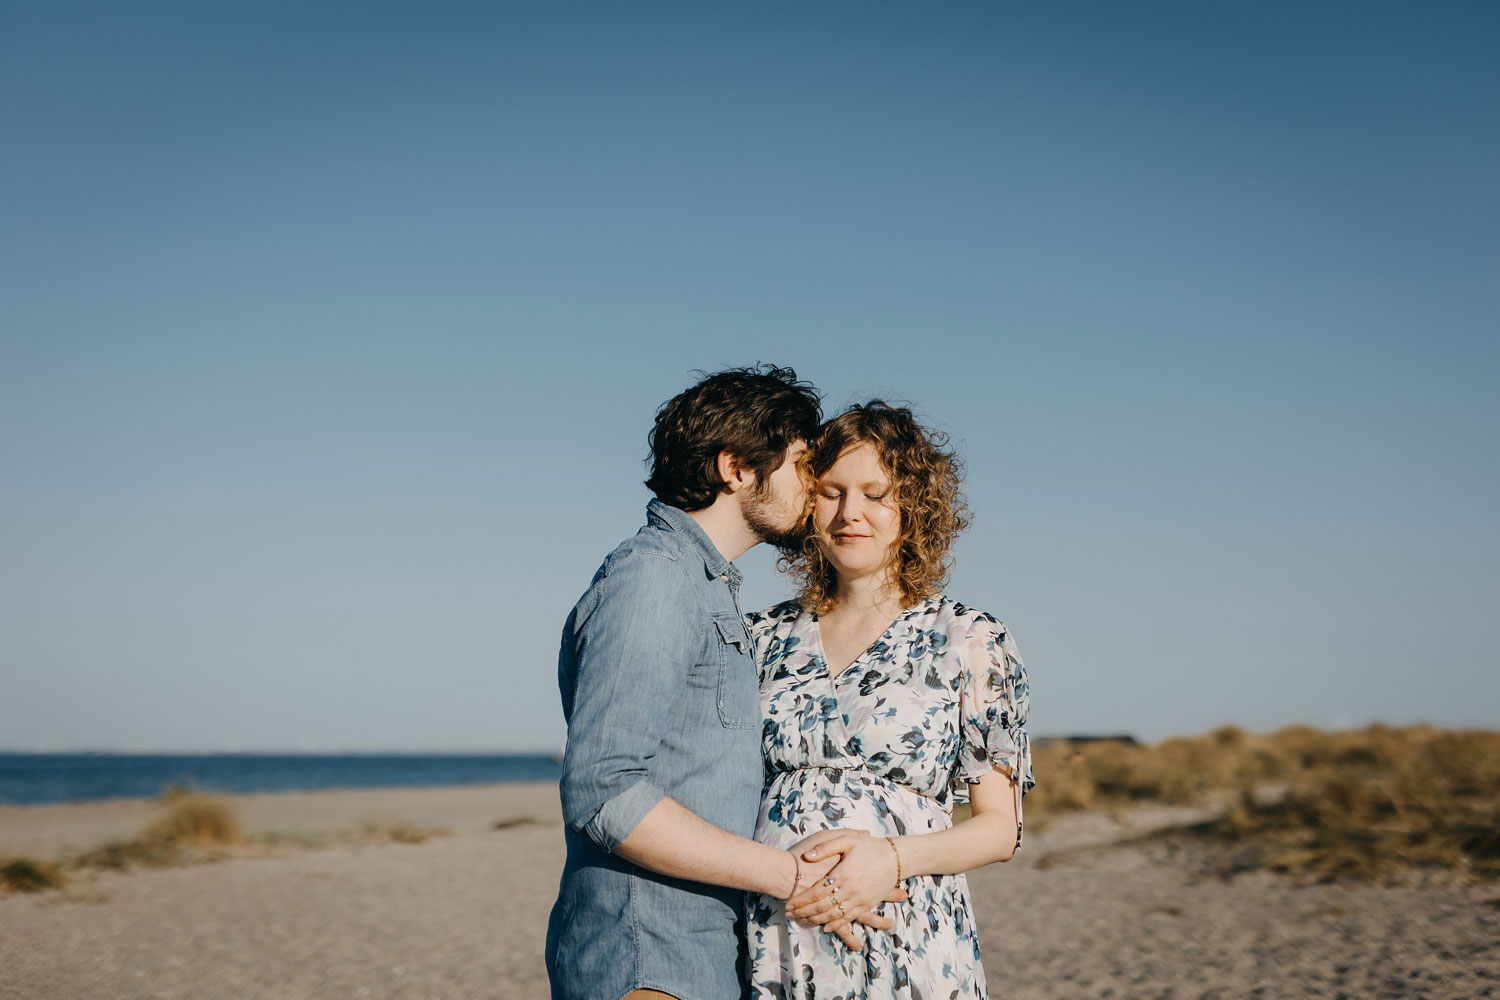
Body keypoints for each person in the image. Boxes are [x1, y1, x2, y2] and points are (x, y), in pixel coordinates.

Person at [546, 367, 905, 1000]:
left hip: (701, 952)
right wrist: (790, 876)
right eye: (800, 463)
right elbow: (605, 792)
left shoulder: (704, 589)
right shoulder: (654, 582)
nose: (813, 485)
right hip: (646, 957)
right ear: (737, 469)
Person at [744, 401, 1035, 1000]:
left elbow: (1001, 831)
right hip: (777, 931)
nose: (851, 513)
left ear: (913, 509)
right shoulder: (759, 636)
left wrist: (889, 860)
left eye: (876, 494)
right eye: (832, 491)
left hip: (908, 927)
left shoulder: (971, 639)